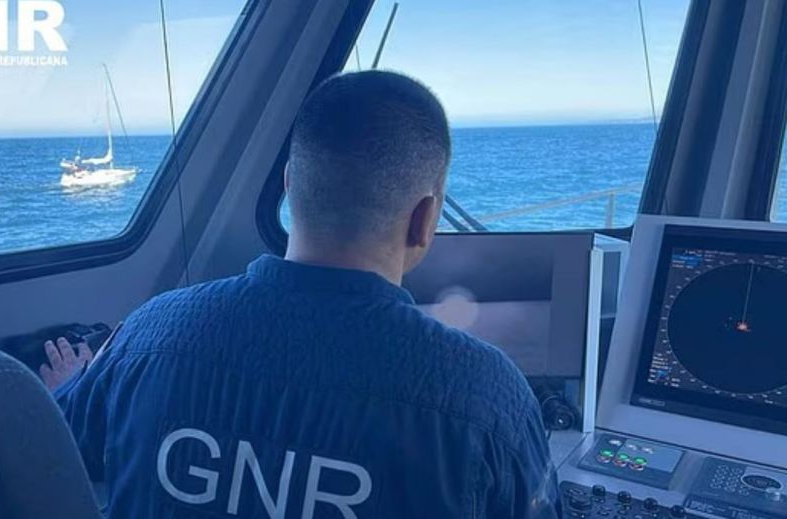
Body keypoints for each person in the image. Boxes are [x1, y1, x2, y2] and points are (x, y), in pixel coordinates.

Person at [45, 70, 562, 518]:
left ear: (290, 185)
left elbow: (56, 442)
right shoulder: (489, 401)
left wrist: (72, 384)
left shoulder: (148, 335)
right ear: (425, 219)